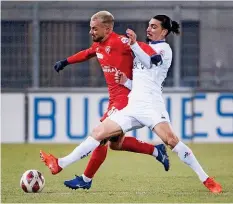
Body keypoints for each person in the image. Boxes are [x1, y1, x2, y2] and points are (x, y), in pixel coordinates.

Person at [41, 13, 222, 193]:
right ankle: (60, 164)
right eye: (148, 25)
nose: (148, 29)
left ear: (164, 31)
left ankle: (206, 179)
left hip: (151, 106)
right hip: (133, 104)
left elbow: (150, 64)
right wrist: (126, 81)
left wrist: (135, 45)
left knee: (172, 140)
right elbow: (141, 78)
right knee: (100, 133)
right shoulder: (141, 49)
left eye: (154, 27)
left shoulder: (164, 50)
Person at [40, 11, 169, 190]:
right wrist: (65, 61)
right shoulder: (99, 45)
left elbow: (139, 45)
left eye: (94, 29)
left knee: (100, 135)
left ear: (107, 29)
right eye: (90, 28)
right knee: (116, 144)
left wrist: (153, 56)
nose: (90, 32)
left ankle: (68, 168)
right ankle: (156, 151)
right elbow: (86, 53)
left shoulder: (119, 42)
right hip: (114, 100)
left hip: (126, 100)